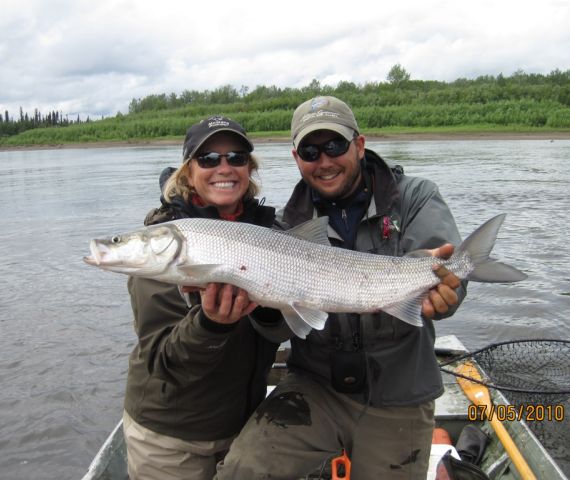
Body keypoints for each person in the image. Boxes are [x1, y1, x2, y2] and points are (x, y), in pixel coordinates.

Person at [214, 97, 466, 479]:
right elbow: (284, 328)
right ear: (296, 158)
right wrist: (264, 303)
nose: (325, 161)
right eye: (311, 151)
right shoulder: (285, 226)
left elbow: (448, 283)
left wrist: (448, 292)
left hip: (399, 389)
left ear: (359, 145)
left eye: (335, 146)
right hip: (313, 386)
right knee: (240, 472)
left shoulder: (415, 197)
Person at [123, 116, 285, 480]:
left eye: (236, 157)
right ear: (188, 171)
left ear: (249, 168)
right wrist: (211, 325)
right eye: (208, 159)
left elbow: (284, 333)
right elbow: (163, 361)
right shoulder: (165, 247)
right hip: (170, 441)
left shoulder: (269, 234)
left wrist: (271, 313)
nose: (223, 168)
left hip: (244, 430)